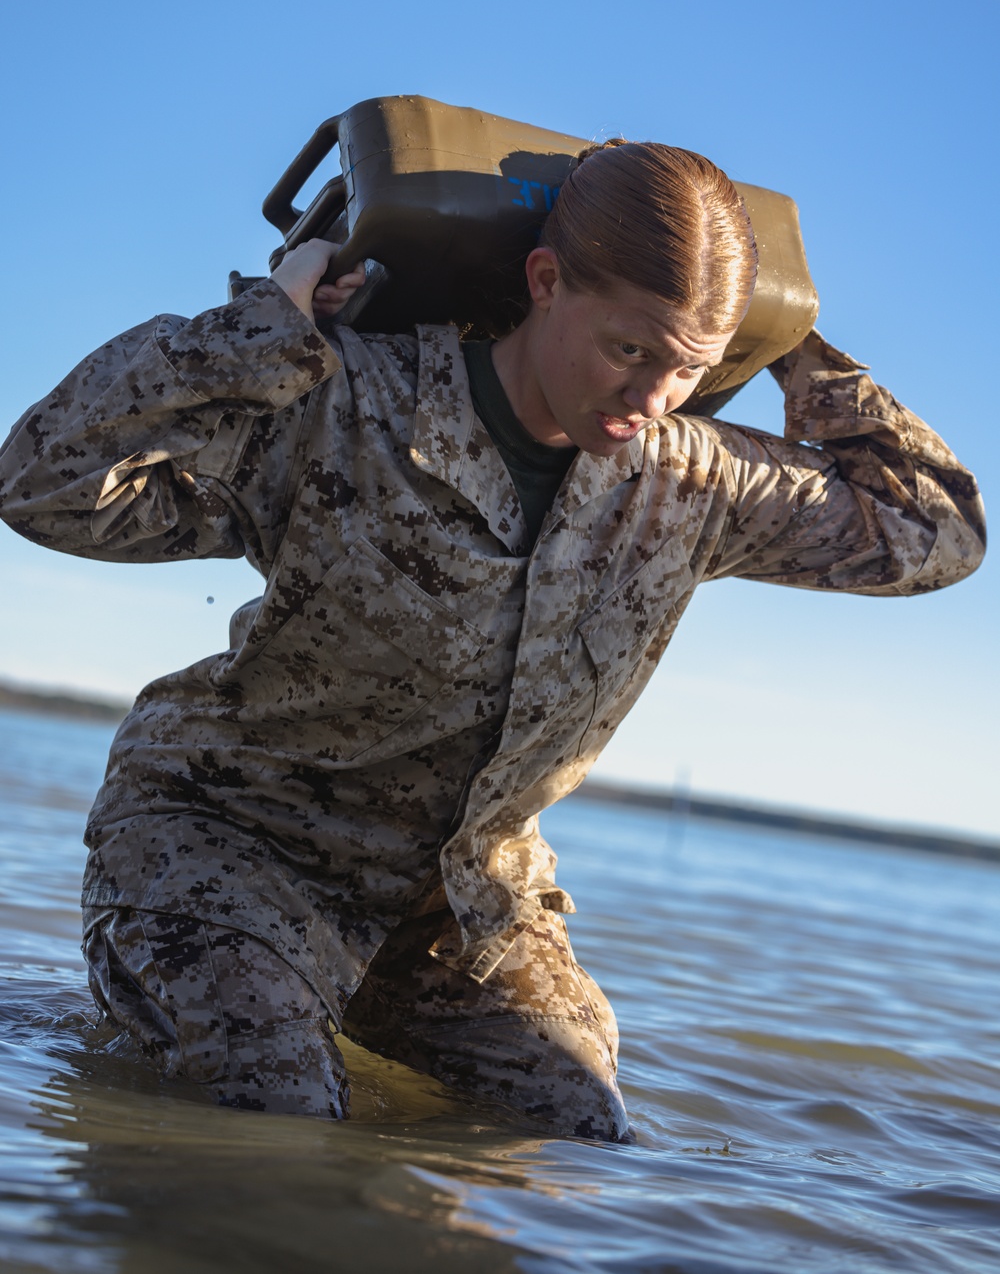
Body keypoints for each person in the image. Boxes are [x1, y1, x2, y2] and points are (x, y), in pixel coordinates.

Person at [0, 142, 985, 1140]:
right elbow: (44, 483)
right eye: (629, 350)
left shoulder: (692, 481)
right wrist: (266, 323)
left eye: (688, 367)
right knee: (275, 1114)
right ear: (546, 281)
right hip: (229, 843)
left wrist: (793, 339)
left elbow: (936, 531)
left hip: (460, 905)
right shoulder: (347, 398)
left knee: (572, 1130)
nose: (650, 398)